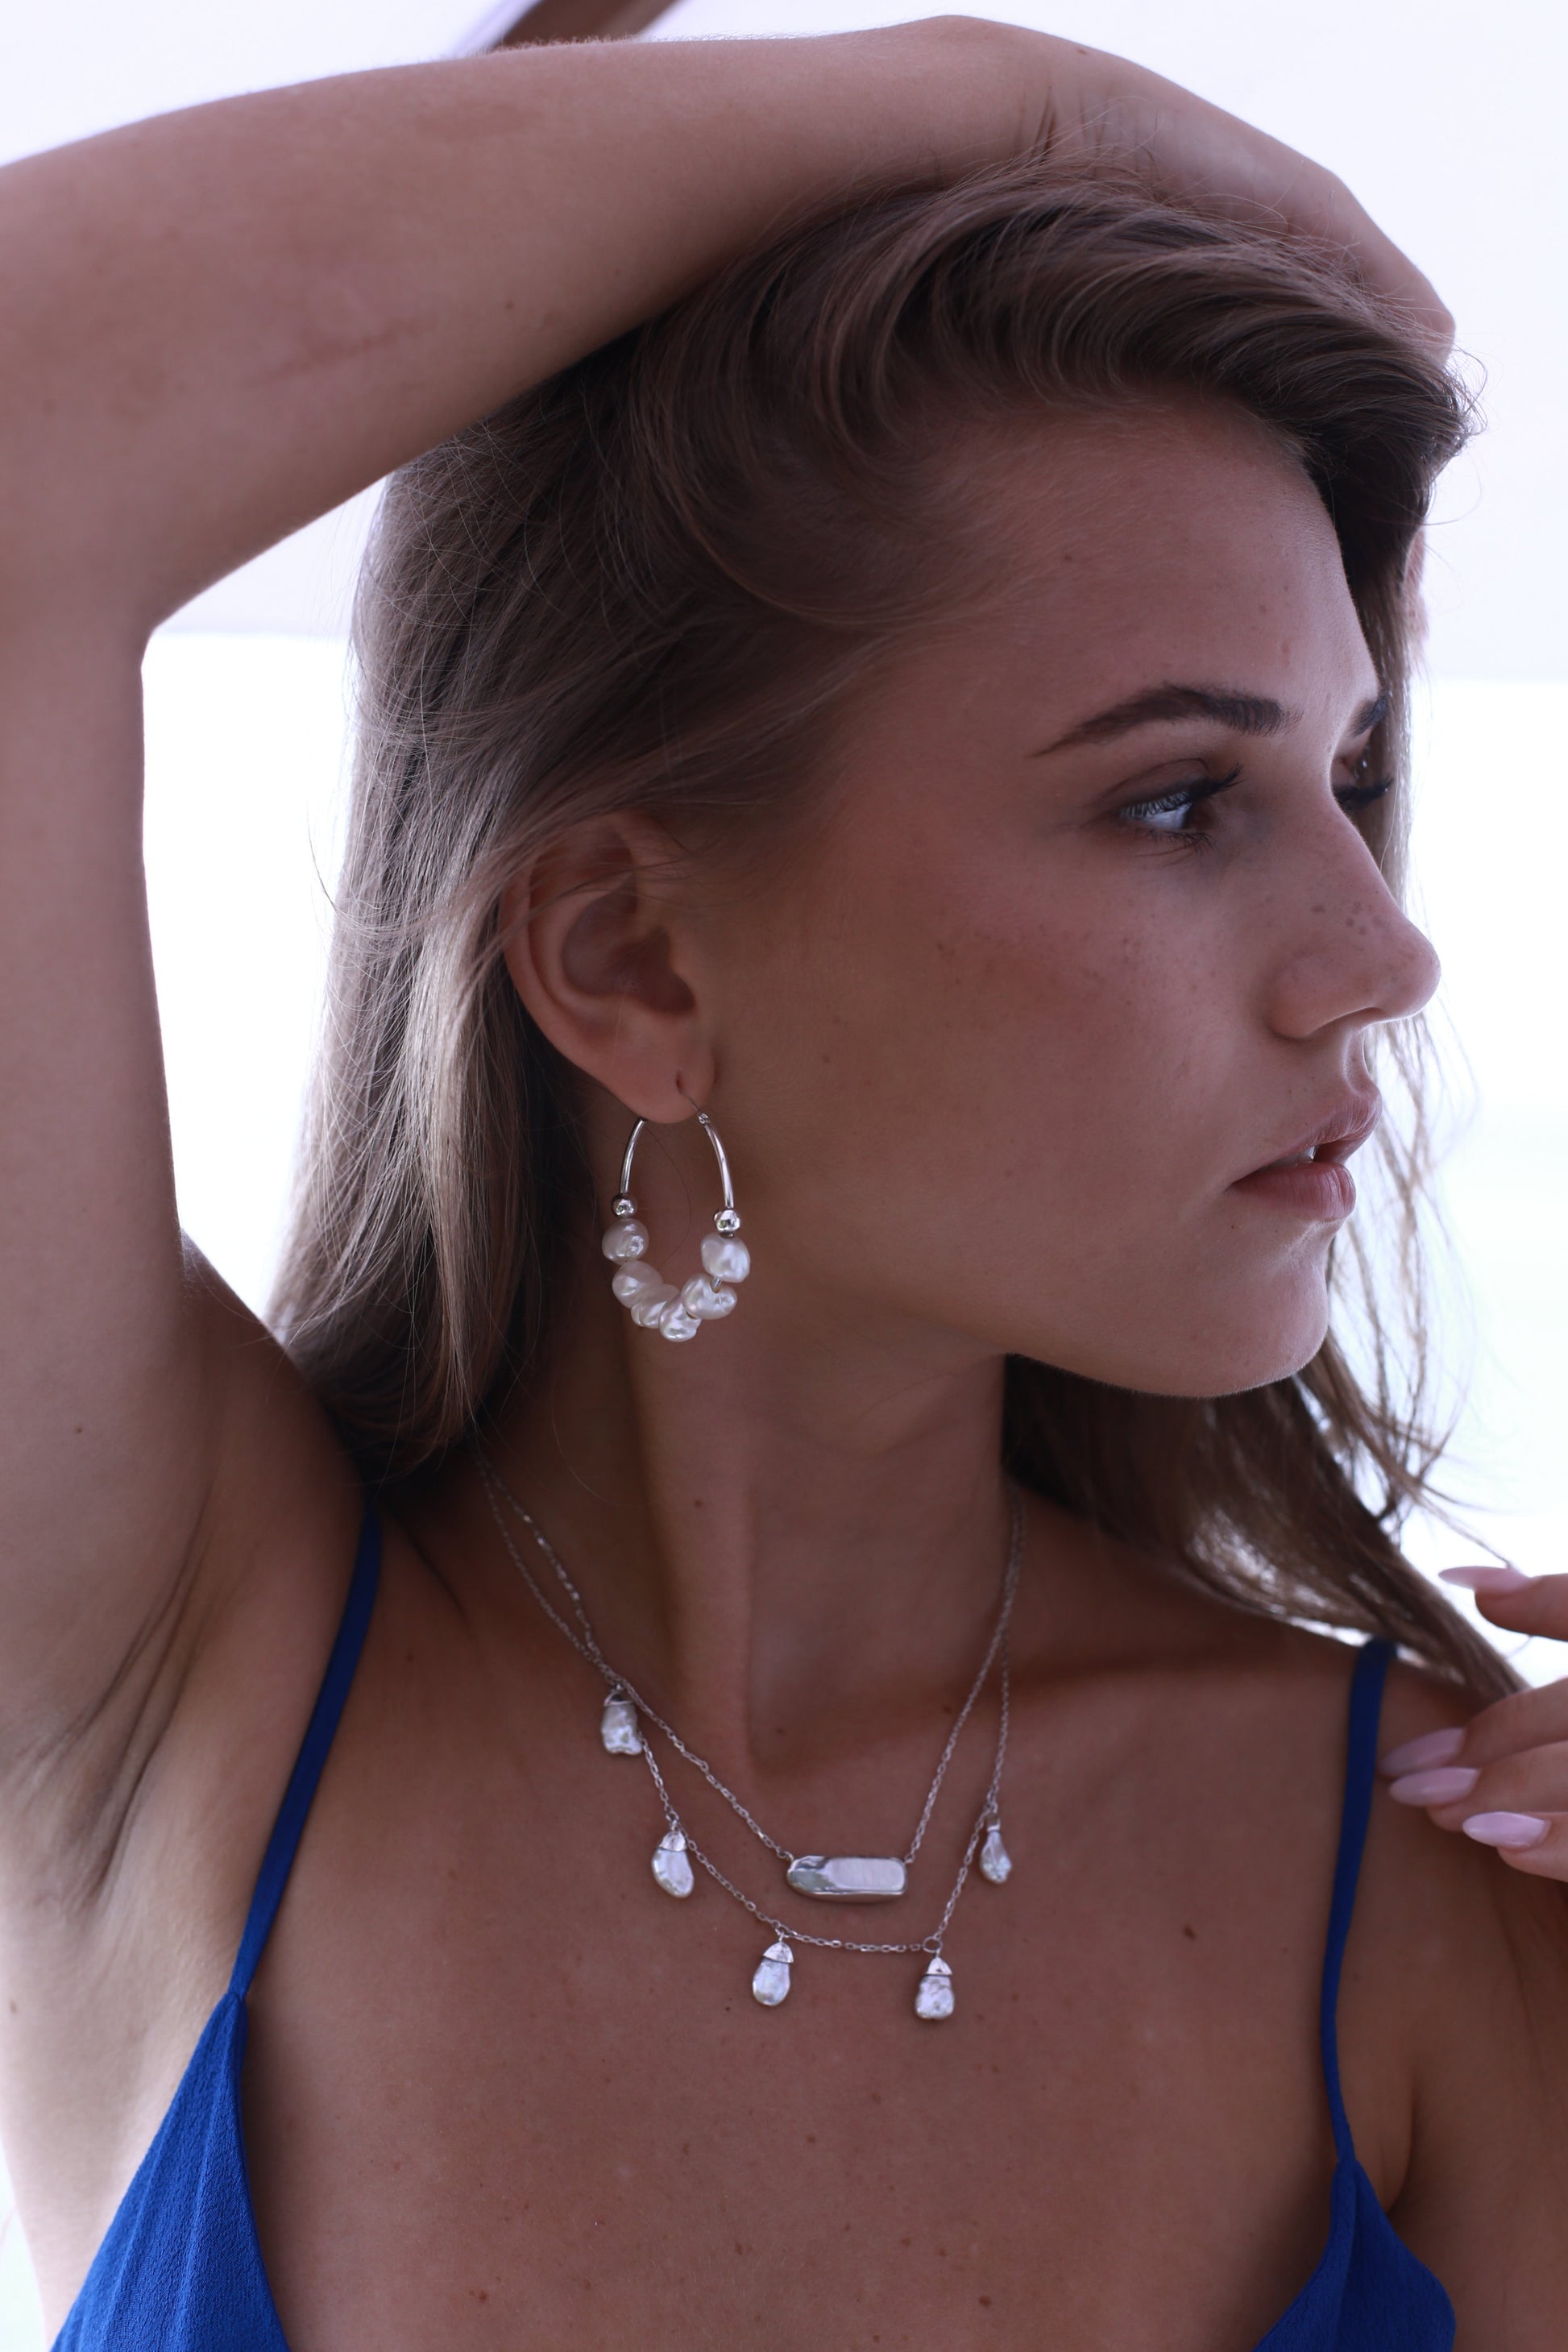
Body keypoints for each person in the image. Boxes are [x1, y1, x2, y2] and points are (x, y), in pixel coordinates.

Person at [2, 17, 1566, 2348]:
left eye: (1345, 780)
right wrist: (1004, 97)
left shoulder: (1459, 1876)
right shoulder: (159, 1674)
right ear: (632, 962)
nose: (1381, 954)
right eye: (1173, 800)